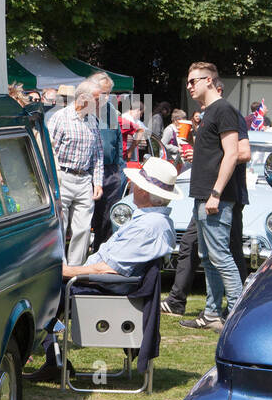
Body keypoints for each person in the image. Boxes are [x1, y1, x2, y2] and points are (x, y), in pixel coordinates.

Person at [27, 156, 179, 381]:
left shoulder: (149, 226)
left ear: (145, 192)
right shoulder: (153, 220)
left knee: (39, 291)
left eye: (137, 184)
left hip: (111, 288)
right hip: (110, 283)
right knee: (44, 285)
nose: (133, 186)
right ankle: (53, 360)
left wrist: (65, 272)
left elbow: (108, 270)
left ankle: (40, 356)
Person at [180, 62, 244, 331]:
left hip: (215, 196)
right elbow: (216, 153)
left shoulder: (224, 109)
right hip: (202, 195)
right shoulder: (207, 113)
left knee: (221, 257)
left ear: (209, 80)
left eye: (193, 81)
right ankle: (211, 314)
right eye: (188, 82)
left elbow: (233, 154)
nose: (189, 86)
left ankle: (240, 317)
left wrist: (216, 193)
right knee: (208, 258)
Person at [47, 81, 103, 265]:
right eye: (97, 98)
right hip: (63, 176)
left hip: (84, 179)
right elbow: (48, 150)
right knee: (60, 227)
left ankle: (75, 270)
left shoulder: (93, 121)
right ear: (83, 99)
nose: (100, 102)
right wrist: (53, 179)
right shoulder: (60, 117)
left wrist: (98, 182)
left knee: (83, 229)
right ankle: (59, 268)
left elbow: (98, 154)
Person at [88, 72, 125, 252]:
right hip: (87, 171)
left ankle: (102, 255)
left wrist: (120, 168)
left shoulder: (110, 111)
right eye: (103, 93)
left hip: (110, 171)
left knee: (108, 218)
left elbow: (118, 140)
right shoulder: (83, 110)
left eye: (109, 93)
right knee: (85, 219)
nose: (107, 97)